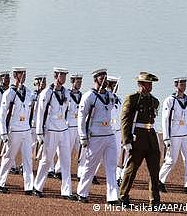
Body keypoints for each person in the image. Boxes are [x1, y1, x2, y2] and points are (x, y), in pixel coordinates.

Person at [76, 68, 120, 204]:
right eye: (101, 78)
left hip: (109, 133)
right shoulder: (89, 96)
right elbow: (81, 117)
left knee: (112, 165)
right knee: (90, 165)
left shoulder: (110, 95)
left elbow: (113, 107)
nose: (104, 81)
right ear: (95, 79)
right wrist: (82, 135)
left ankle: (112, 197)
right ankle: (82, 193)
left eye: (105, 78)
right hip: (95, 135)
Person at [119, 72, 161, 207]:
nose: (150, 86)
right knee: (131, 170)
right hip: (137, 138)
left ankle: (154, 201)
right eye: (147, 84)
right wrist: (126, 141)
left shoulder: (154, 101)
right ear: (140, 84)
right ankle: (123, 196)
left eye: (151, 84)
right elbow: (125, 120)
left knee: (155, 172)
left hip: (151, 138)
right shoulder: (132, 99)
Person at [34, 67, 75, 199]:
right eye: (61, 75)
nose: (64, 78)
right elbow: (40, 113)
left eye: (65, 75)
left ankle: (66, 191)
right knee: (46, 160)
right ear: (55, 76)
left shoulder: (66, 92)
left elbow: (69, 110)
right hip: (51, 130)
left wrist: (68, 125)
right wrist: (39, 132)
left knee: (66, 161)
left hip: (63, 129)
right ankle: (37, 187)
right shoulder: (47, 93)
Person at [0, 67, 35, 194]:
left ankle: (28, 186)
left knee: (28, 159)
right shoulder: (9, 93)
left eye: (25, 74)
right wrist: (3, 132)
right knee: (9, 157)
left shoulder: (28, 92)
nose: (23, 76)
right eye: (20, 74)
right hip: (14, 130)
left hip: (26, 130)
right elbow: (2, 115)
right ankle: (0, 183)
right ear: (15, 75)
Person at [159, 77, 187, 193]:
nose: (184, 86)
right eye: (181, 83)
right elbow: (165, 119)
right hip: (174, 133)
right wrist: (166, 137)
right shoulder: (170, 100)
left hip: (185, 132)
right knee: (171, 160)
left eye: (185, 83)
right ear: (176, 85)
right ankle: (159, 180)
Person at [54, 73, 83, 180]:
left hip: (78, 127)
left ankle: (81, 172)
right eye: (77, 81)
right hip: (69, 126)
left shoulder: (81, 95)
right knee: (66, 150)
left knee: (81, 151)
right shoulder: (67, 94)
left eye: (80, 82)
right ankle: (59, 170)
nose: (79, 84)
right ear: (72, 82)